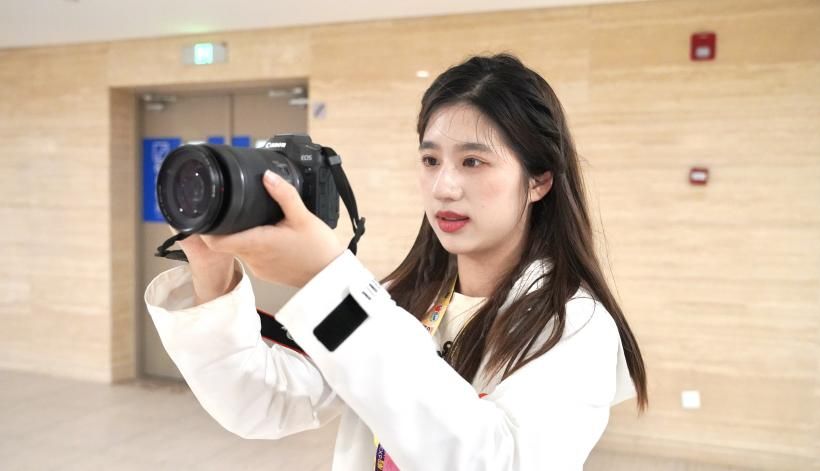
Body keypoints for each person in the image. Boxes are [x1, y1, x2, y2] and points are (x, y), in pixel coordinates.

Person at [145, 53, 647, 471]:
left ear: (538, 181)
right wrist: (213, 271)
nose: (444, 187)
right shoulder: (400, 301)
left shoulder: (575, 325)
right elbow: (266, 404)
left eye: (473, 161)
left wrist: (325, 279)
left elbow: (492, 461)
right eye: (430, 160)